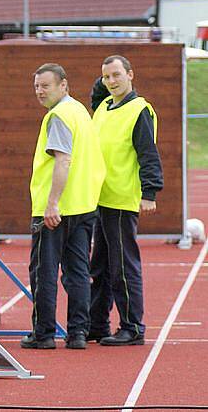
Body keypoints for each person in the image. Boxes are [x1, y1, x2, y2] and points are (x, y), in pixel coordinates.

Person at [22, 63, 105, 350]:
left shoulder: (58, 116)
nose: (40, 91)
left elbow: (63, 160)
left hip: (56, 210)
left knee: (44, 272)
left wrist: (52, 203)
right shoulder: (80, 112)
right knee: (78, 271)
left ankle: (43, 333)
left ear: (63, 85)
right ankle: (78, 332)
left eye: (45, 85)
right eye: (36, 86)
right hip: (83, 205)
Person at [89, 55, 163, 346]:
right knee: (100, 267)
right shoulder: (104, 108)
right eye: (106, 77)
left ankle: (132, 327)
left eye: (117, 75)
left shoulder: (139, 110)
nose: (111, 81)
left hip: (122, 200)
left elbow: (148, 153)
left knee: (123, 266)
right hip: (101, 198)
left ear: (130, 74)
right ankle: (98, 324)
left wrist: (150, 192)